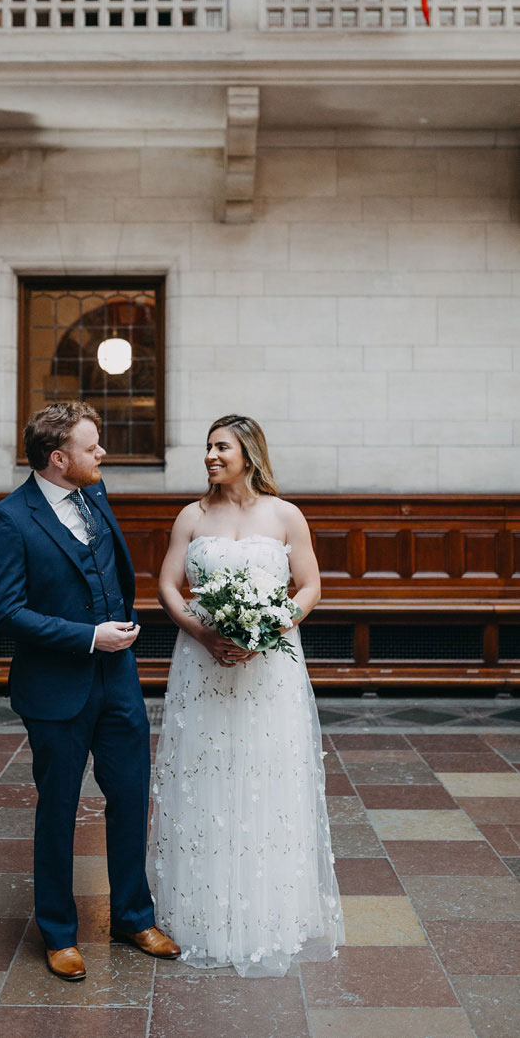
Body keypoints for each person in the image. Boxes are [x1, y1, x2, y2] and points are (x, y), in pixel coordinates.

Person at [0, 401, 180, 982]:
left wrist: (121, 625)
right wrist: (89, 636)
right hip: (56, 689)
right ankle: (59, 933)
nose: (103, 455)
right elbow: (7, 614)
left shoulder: (95, 495)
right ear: (59, 458)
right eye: (93, 448)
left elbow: (112, 574)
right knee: (59, 811)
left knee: (129, 798)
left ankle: (132, 917)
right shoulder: (8, 519)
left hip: (118, 682)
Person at [150, 414, 344, 976]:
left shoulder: (285, 515)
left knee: (266, 775)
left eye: (221, 447)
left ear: (249, 452)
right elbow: (167, 584)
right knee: (205, 772)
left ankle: (270, 911)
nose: (210, 456)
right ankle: (200, 910)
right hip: (202, 660)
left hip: (268, 669)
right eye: (207, 447)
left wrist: (272, 628)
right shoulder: (192, 515)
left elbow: (309, 585)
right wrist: (202, 632)